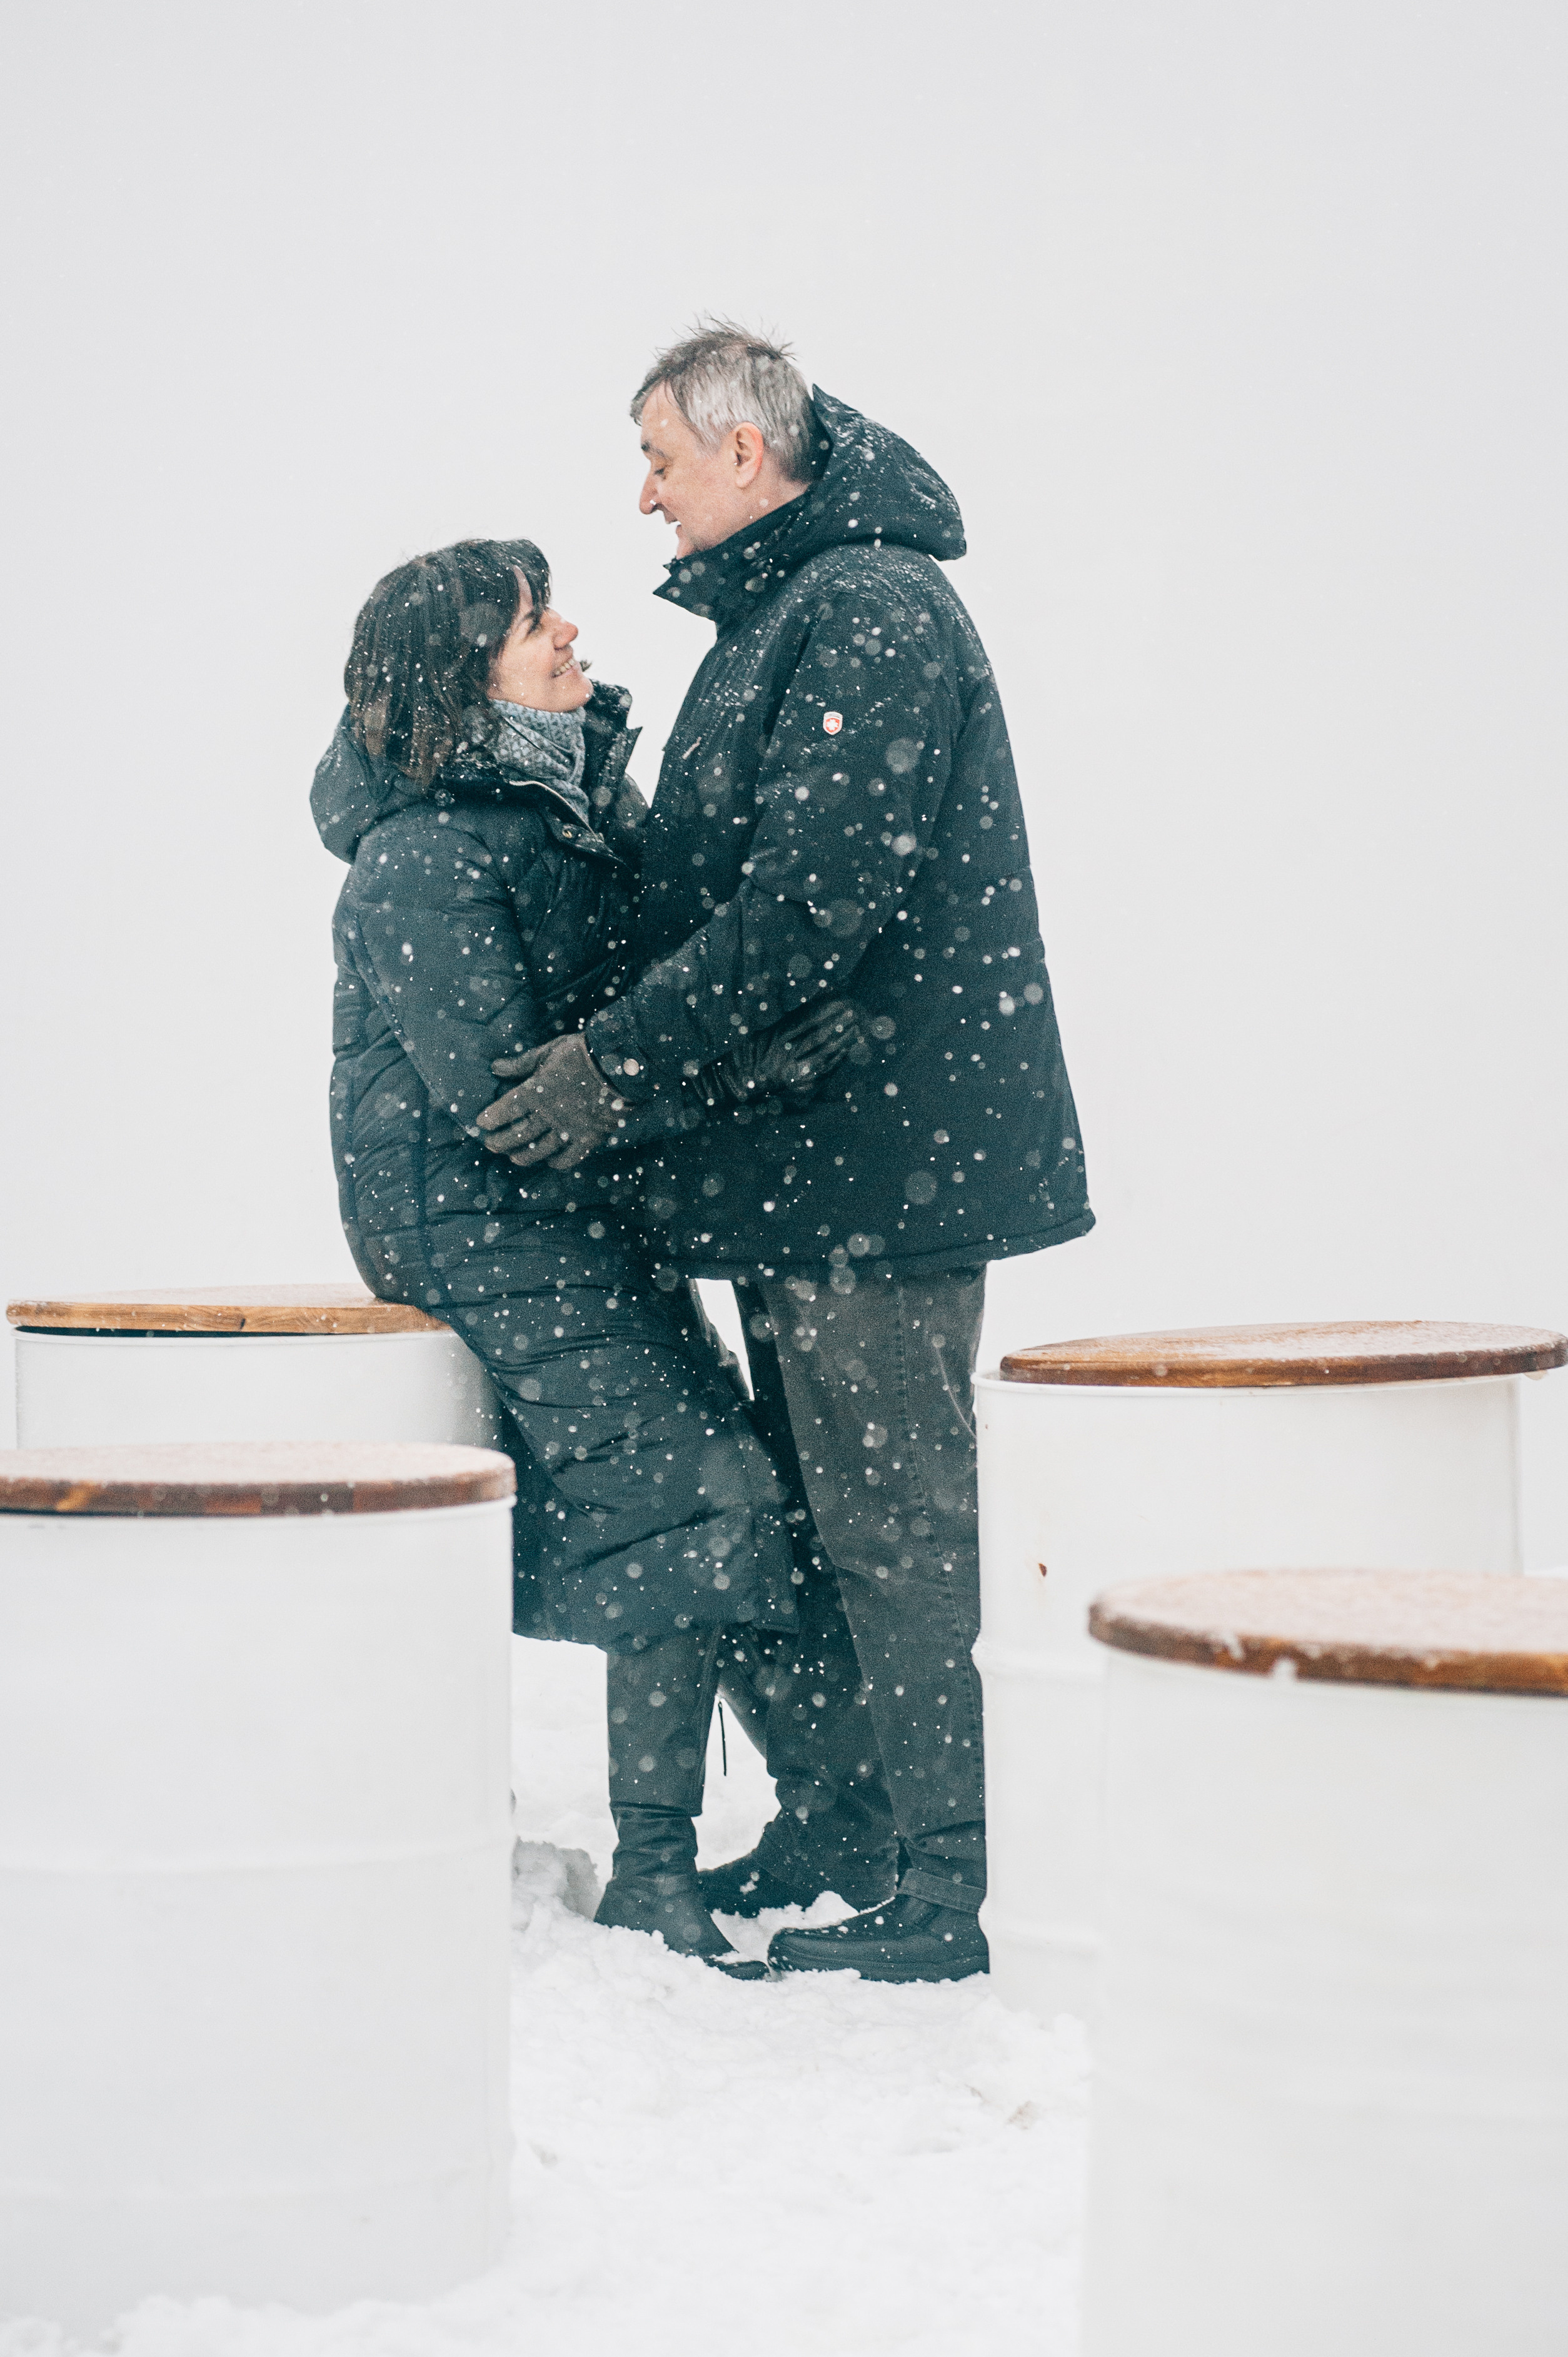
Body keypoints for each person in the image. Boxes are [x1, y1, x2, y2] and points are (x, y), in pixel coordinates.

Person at [477, 328, 1093, 1984]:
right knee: (824, 1514)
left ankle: (946, 1890)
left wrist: (612, 1067)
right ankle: (851, 1827)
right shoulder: (788, 616)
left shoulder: (865, 610)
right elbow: (726, 882)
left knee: (893, 1520)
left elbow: (811, 904)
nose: (645, 492)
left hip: (877, 1169)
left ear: (744, 457)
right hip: (818, 1161)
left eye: (660, 458)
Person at [313, 536, 862, 1978]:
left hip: (580, 1210)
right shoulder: (419, 857)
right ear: (458, 674)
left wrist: (734, 1039)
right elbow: (512, 1095)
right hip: (477, 1219)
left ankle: (837, 1820)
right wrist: (729, 1083)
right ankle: (655, 1869)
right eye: (530, 623)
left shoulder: (565, 812)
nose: (569, 634)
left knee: (741, 1494)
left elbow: (624, 1027)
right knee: (696, 1496)